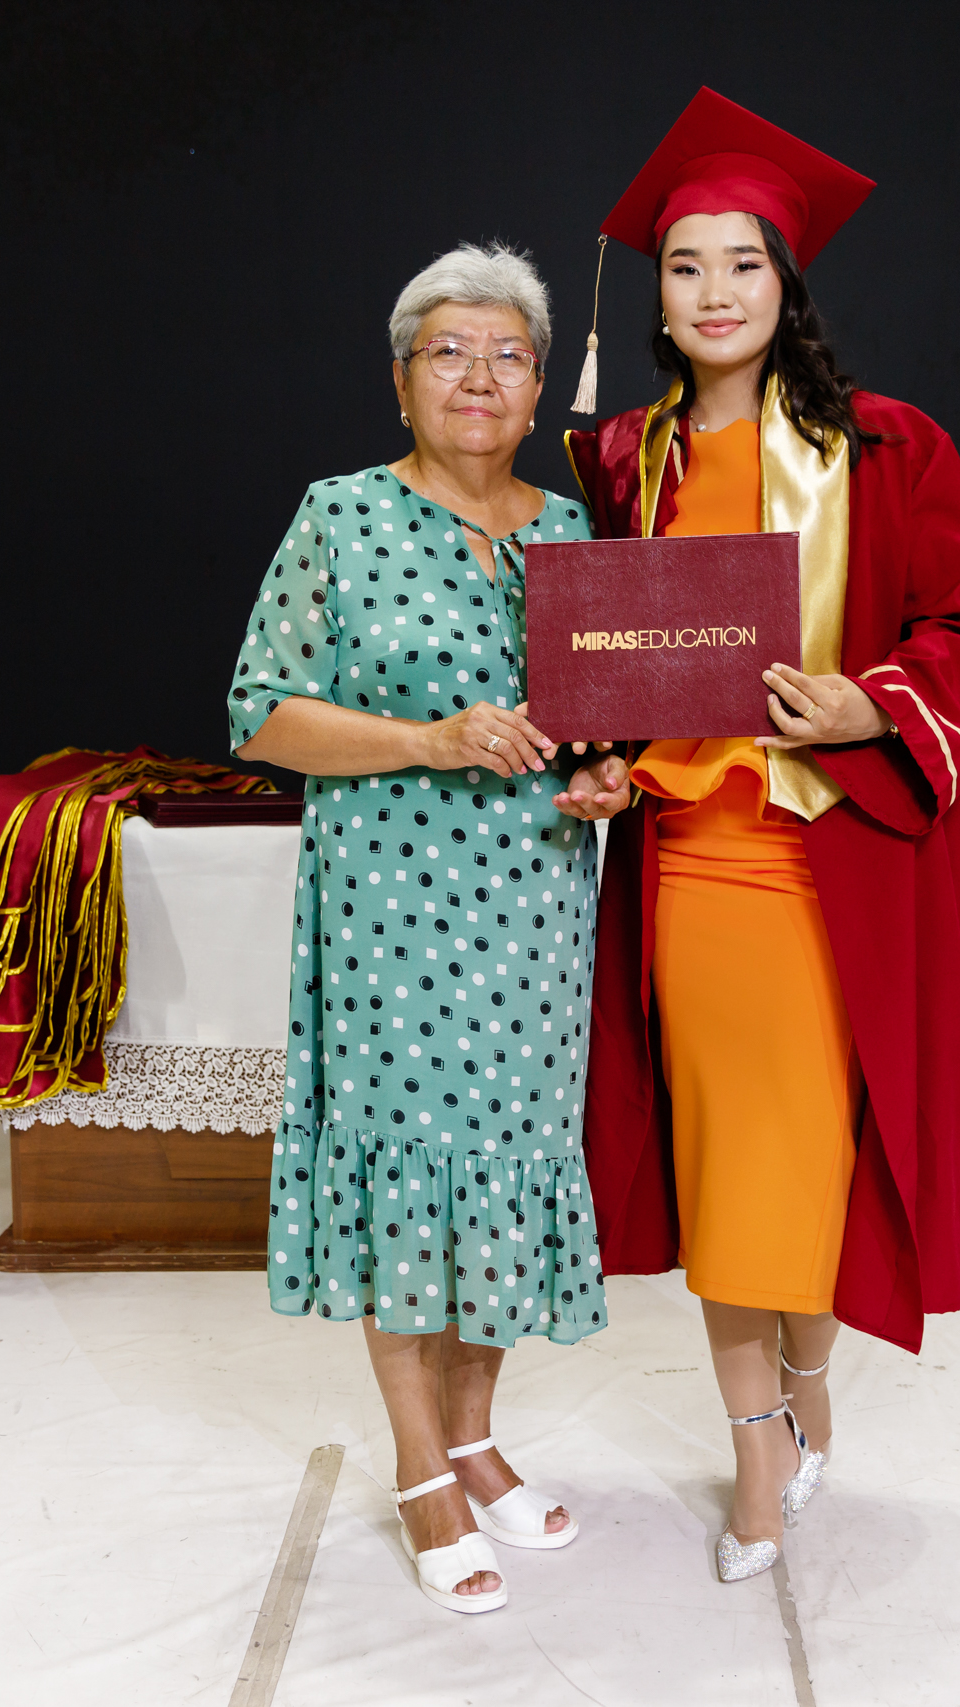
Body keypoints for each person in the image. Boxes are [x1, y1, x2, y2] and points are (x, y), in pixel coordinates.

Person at [557, 90, 960, 1583]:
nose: (713, 292)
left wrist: (871, 704)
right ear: (658, 293)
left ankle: (808, 1389)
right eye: (685, 266)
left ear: (786, 281)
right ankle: (760, 1447)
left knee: (812, 1155)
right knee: (731, 1161)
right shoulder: (620, 462)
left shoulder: (885, 447)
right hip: (694, 866)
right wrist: (603, 759)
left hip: (834, 856)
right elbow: (601, 665)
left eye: (742, 265)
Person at [228, 241, 633, 1615]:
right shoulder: (340, 517)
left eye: (509, 355)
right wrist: (428, 737)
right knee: (408, 1172)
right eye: (447, 351)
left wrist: (611, 780)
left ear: (540, 386)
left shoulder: (572, 534)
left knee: (504, 1165)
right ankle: (419, 1468)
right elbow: (262, 713)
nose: (479, 375)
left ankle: (475, 1436)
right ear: (401, 379)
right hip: (390, 911)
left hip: (533, 914)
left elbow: (605, 726)